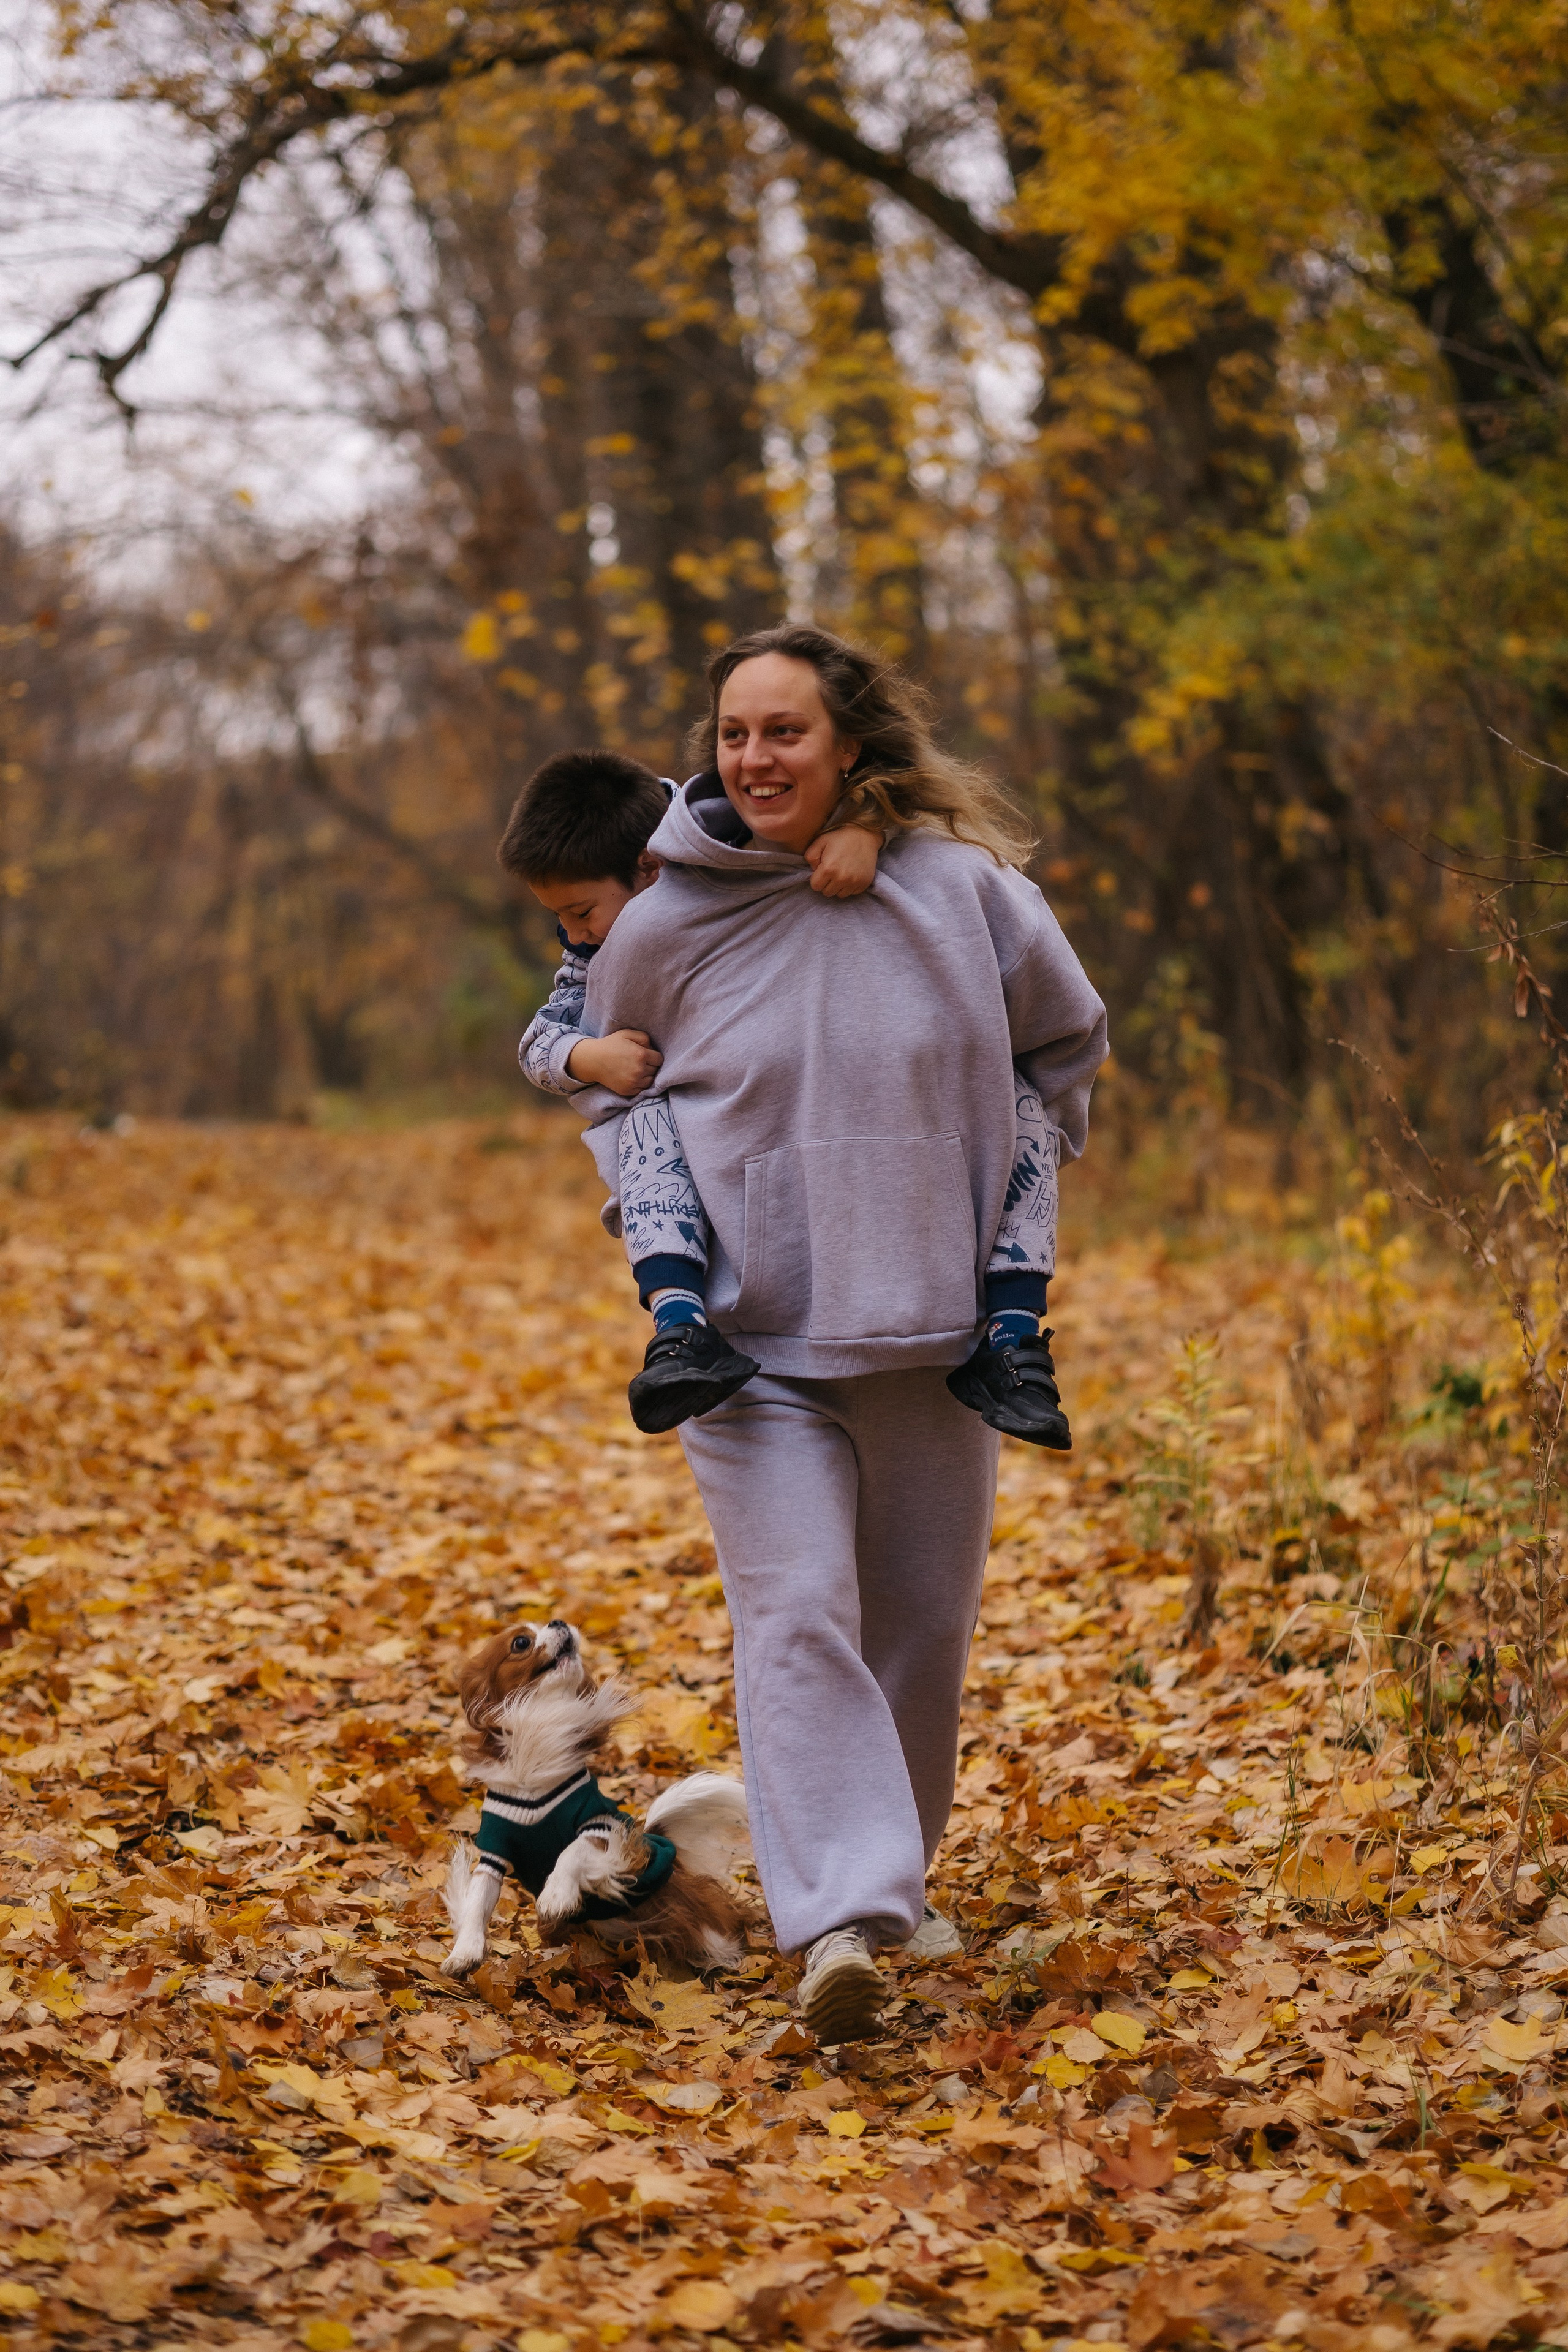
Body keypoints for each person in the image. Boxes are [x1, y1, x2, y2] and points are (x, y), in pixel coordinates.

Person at [576, 625, 1107, 2042]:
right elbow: (612, 1084)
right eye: (733, 732)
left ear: (846, 743)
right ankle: (841, 1921)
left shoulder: (965, 894)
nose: (755, 757)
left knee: (919, 1629)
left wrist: (1002, 1175)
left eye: (785, 730)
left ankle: (891, 1878)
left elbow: (1064, 1042)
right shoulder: (665, 920)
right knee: (799, 1612)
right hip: (744, 1343)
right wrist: (659, 1227)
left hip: (934, 1332)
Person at [500, 749, 1074, 1450]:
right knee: (649, 1120)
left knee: (1016, 1101)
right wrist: (584, 1056)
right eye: (560, 918)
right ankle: (679, 1325)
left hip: (900, 1157)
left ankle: (1014, 1333)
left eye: (580, 912)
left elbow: (850, 802)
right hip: (719, 1182)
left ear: (648, 869)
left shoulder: (740, 838)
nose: (573, 934)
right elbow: (539, 1041)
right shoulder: (597, 943)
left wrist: (866, 829)